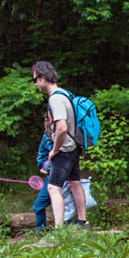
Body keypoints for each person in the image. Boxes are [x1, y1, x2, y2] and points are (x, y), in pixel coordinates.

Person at [33, 60, 88, 226]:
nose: (35, 83)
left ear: (42, 78)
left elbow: (62, 128)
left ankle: (59, 229)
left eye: (35, 79)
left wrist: (54, 150)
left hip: (64, 149)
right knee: (74, 183)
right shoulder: (67, 94)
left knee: (53, 188)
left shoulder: (55, 98)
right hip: (75, 146)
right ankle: (82, 221)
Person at [31, 118, 54, 231]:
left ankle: (68, 230)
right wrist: (45, 166)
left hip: (63, 178)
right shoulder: (46, 138)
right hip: (51, 178)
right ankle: (41, 231)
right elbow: (41, 157)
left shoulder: (67, 138)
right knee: (38, 205)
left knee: (65, 205)